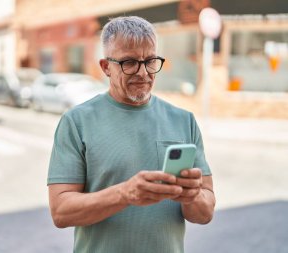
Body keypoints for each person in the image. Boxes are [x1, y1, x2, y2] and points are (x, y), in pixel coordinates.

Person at [47, 16, 215, 253]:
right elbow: (61, 211)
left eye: (150, 61)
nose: (143, 73)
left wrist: (191, 196)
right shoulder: (76, 122)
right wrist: (124, 194)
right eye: (129, 63)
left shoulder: (183, 120)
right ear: (106, 67)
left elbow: (205, 213)